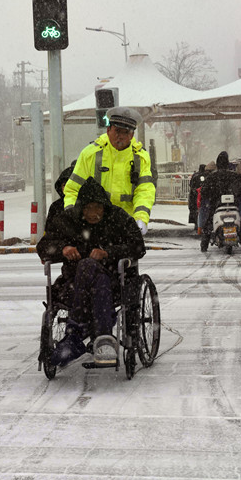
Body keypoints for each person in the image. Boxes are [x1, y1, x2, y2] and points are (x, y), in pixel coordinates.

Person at [38, 177, 146, 367]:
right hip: (74, 283)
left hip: (113, 279)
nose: (94, 213)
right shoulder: (67, 220)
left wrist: (108, 253)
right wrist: (63, 248)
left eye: (98, 208)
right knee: (89, 270)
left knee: (89, 267)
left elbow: (138, 247)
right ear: (81, 208)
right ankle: (103, 338)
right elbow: (44, 246)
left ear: (105, 206)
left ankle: (75, 334)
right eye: (88, 208)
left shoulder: (117, 218)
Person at [63, 107, 155, 236]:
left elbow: (145, 191)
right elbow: (73, 189)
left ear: (132, 135)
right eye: (117, 131)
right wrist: (72, 215)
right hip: (93, 226)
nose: (121, 136)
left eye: (126, 132)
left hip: (126, 226)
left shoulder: (140, 157)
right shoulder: (90, 154)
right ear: (108, 130)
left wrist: (141, 218)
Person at [198, 151, 241, 252]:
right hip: (234, 206)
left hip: (216, 207)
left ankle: (204, 243)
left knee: (208, 226)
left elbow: (204, 194)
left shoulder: (211, 177)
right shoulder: (235, 176)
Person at [188, 164, 206, 228]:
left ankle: (197, 224)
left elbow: (191, 185)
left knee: (196, 209)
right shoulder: (207, 175)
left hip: (195, 196)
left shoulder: (195, 175)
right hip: (203, 196)